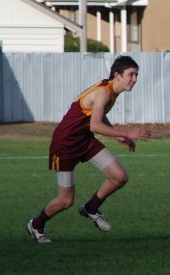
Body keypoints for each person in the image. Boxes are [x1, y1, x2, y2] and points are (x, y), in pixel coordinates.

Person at [27, 56, 152, 243]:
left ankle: (90, 208)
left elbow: (98, 116)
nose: (134, 79)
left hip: (85, 140)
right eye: (131, 75)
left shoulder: (111, 90)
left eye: (136, 75)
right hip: (65, 144)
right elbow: (95, 125)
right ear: (117, 75)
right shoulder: (104, 92)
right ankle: (36, 224)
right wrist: (127, 132)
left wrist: (118, 135)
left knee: (119, 177)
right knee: (66, 200)